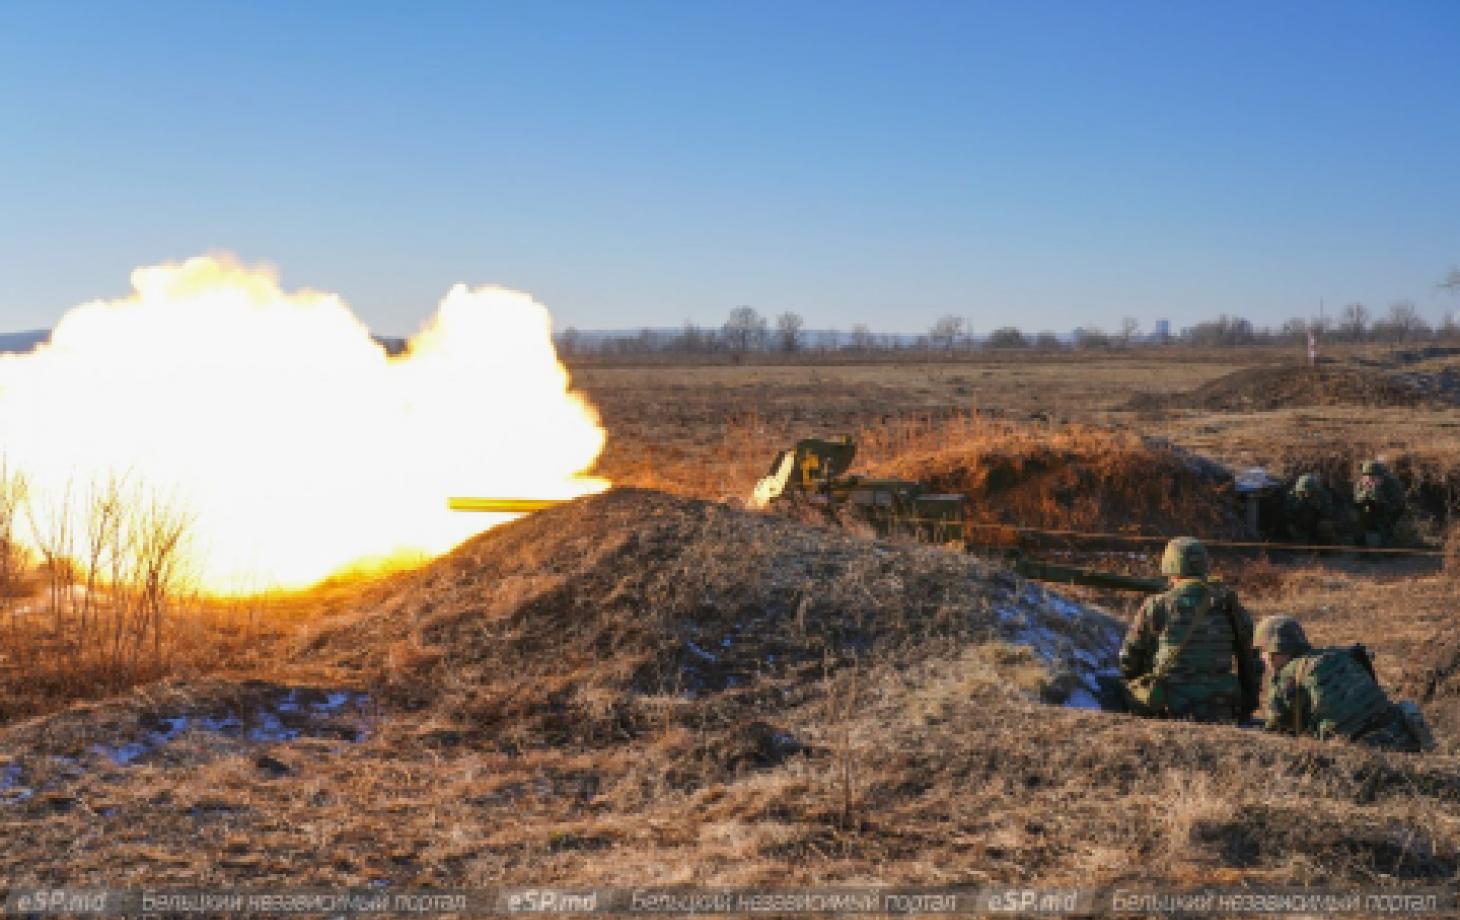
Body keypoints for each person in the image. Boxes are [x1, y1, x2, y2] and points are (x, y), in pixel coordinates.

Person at [1119, 537, 1258, 723]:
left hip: (1170, 704)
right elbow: (1248, 659)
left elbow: (1130, 658)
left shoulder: (1157, 605)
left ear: (1170, 567)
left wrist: (1139, 689)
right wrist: (1247, 705)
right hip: (1220, 706)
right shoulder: (1227, 604)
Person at [1254, 615, 1434, 752]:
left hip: (1358, 751)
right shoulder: (1340, 654)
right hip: (1400, 737)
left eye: (1262, 651)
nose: (1262, 658)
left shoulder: (1286, 677)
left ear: (1273, 651)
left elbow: (1277, 734)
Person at [1353, 459, 1406, 546]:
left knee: (1391, 546)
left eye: (1373, 477)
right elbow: (1356, 501)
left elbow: (1396, 507)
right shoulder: (1361, 483)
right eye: (1366, 476)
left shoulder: (1393, 484)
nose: (1369, 479)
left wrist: (1377, 495)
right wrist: (1366, 494)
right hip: (1370, 515)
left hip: (1392, 517)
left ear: (1381, 477)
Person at [1283, 473, 1337, 544]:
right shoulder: (1292, 495)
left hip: (1317, 523)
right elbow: (1287, 513)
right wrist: (1300, 504)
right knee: (1292, 529)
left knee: (1326, 526)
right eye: (1304, 491)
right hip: (1298, 524)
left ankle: (1324, 546)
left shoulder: (1323, 495)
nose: (1307, 494)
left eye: (1309, 491)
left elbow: (1329, 512)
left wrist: (1317, 505)